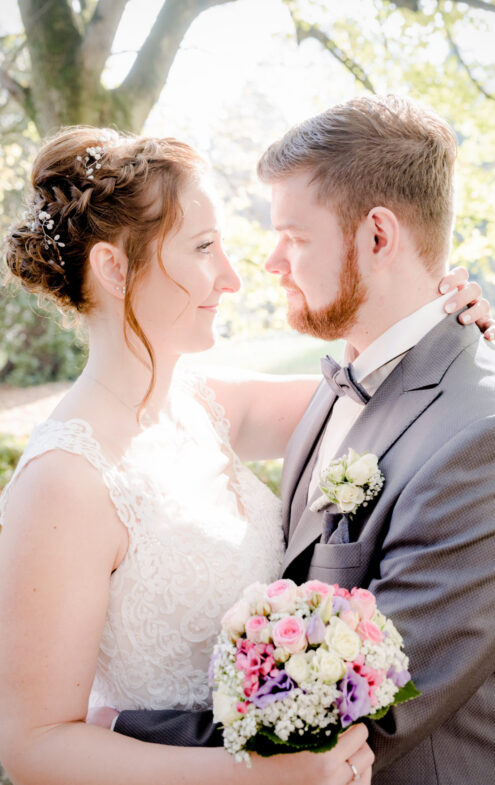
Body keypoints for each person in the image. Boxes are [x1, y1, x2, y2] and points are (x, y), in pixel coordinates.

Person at [100, 97, 495, 785]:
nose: (270, 262)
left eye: (294, 235)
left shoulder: (475, 438)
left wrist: (108, 726)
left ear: (377, 236)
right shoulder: (341, 379)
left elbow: (364, 712)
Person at [0, 128, 374, 785]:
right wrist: (266, 777)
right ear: (115, 268)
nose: (231, 278)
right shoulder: (66, 481)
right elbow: (32, 746)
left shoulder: (205, 401)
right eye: (204, 248)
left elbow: (377, 390)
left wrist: (449, 325)